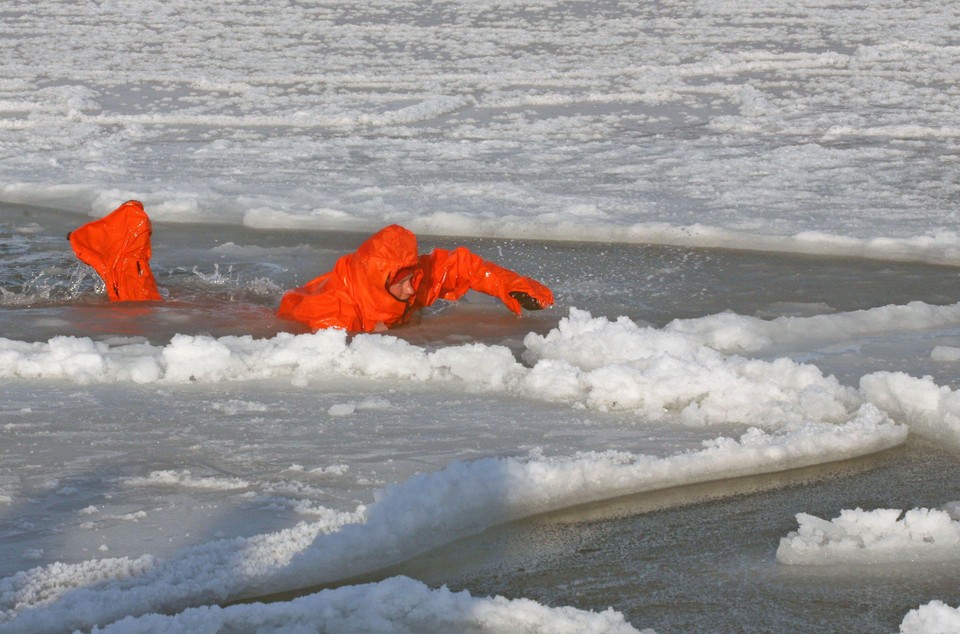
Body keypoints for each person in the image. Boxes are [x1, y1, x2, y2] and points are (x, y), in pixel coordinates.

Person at [68, 201, 554, 332]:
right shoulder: (335, 309)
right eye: (404, 277)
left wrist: (511, 285)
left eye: (413, 274)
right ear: (380, 276)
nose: (415, 283)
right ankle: (119, 247)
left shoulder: (407, 280)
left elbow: (461, 268)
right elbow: (302, 326)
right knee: (151, 310)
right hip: (275, 318)